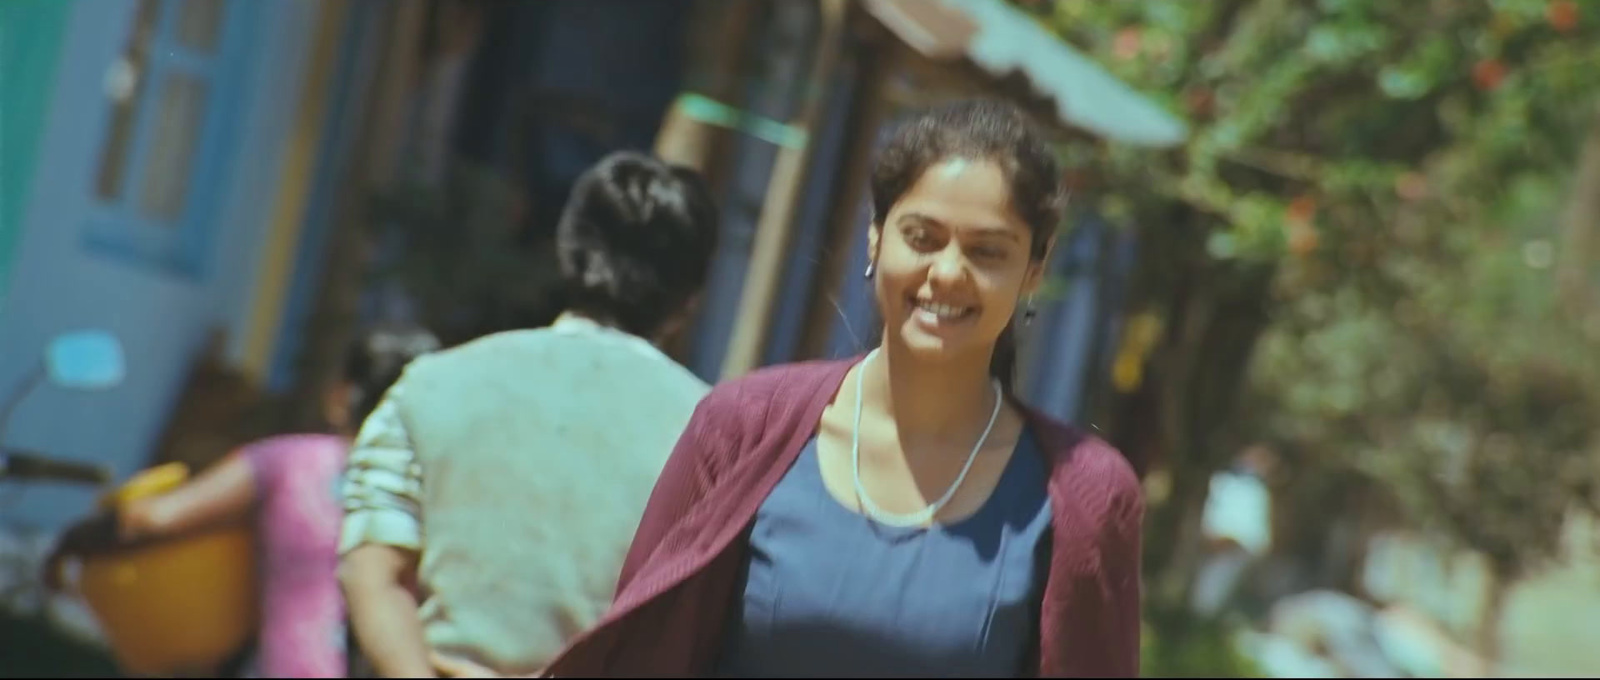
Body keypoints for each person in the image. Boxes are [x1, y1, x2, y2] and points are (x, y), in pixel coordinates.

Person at [541, 99, 1145, 678]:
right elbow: (642, 654)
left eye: (988, 251)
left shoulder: (1084, 496)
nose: (948, 272)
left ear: (1034, 269)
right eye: (923, 237)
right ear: (876, 237)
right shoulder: (741, 428)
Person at [338, 150, 721, 678]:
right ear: (691, 298)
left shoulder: (429, 387)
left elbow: (372, 572)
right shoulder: (718, 439)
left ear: (567, 251)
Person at [42, 325, 441, 678]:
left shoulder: (293, 461)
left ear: (340, 396)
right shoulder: (438, 498)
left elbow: (151, 519)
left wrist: (75, 539)